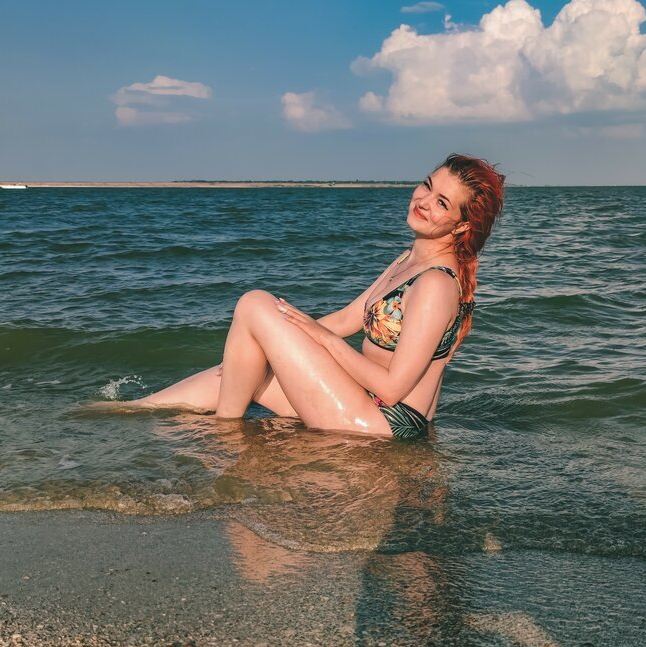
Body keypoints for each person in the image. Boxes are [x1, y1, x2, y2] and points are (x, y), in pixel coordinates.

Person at [128, 154, 505, 439]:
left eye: (442, 203)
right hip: (360, 400)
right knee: (236, 372)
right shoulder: (409, 260)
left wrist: (320, 338)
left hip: (382, 424)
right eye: (427, 186)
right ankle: (127, 413)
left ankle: (227, 440)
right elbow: (346, 319)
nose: (423, 200)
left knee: (255, 303)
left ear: (463, 226)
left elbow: (392, 389)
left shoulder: (436, 284)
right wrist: (266, 347)